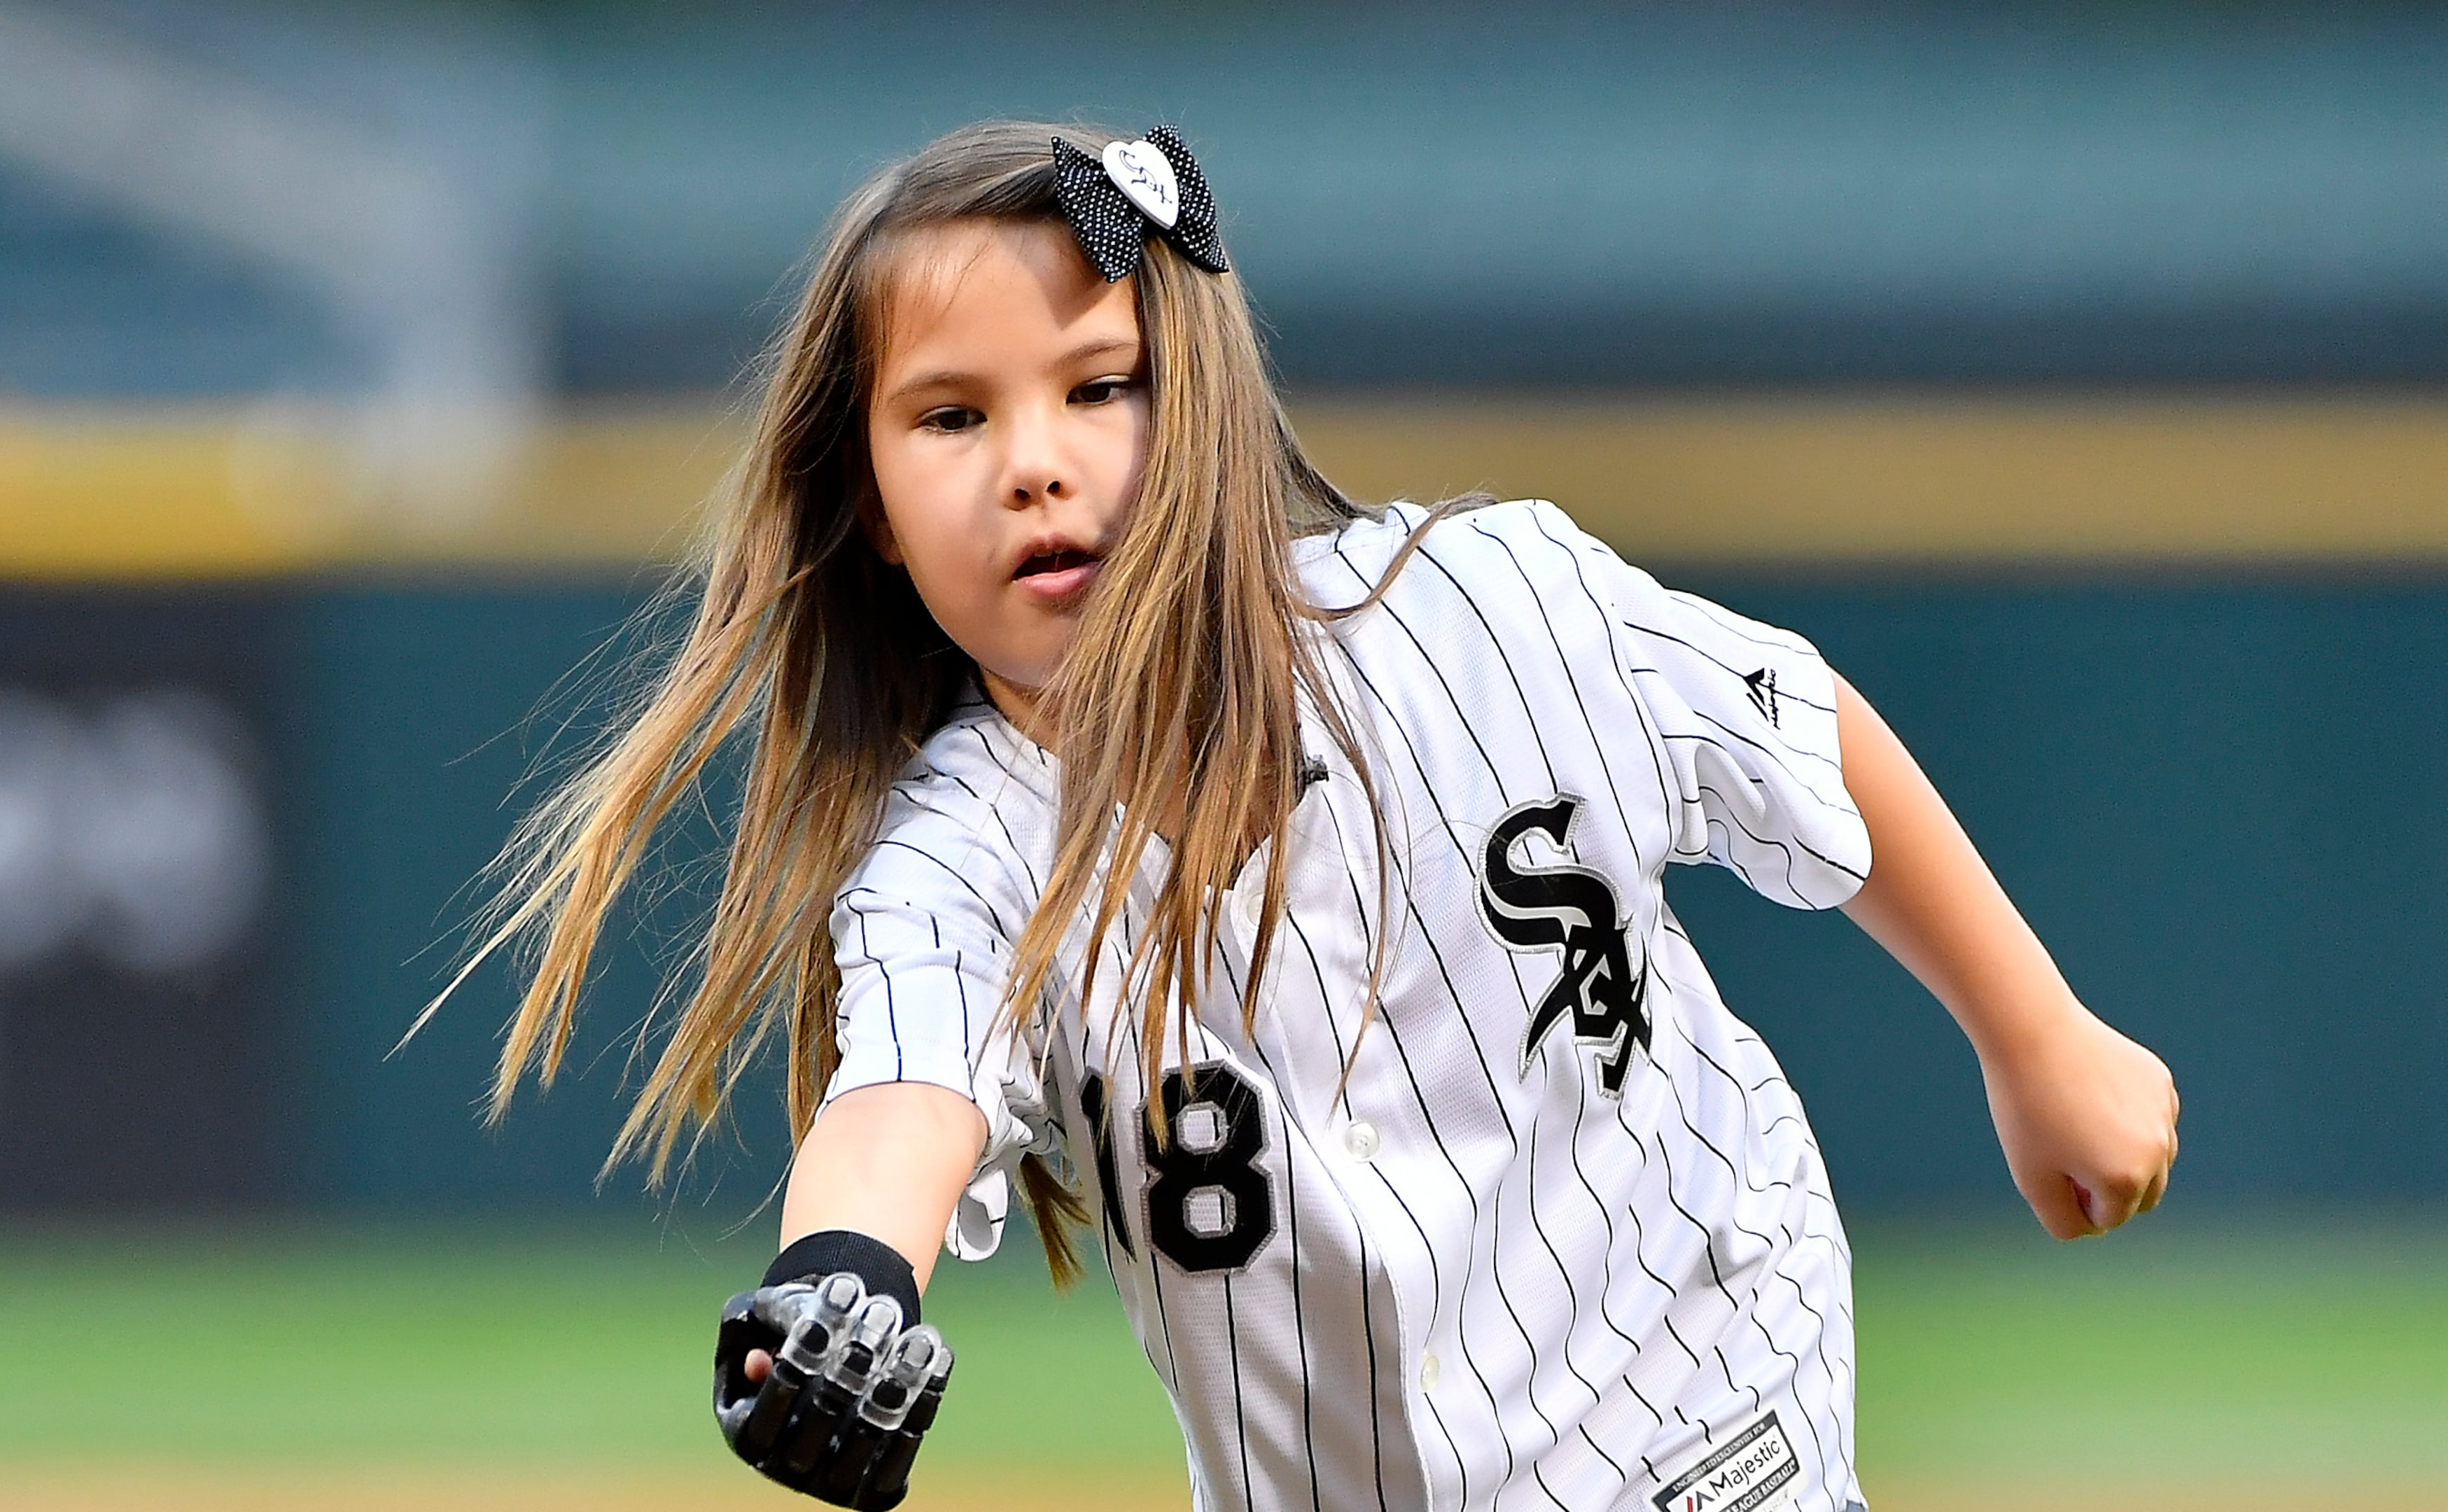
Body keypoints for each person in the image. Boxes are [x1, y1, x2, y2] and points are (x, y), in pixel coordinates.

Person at [461, 121, 2179, 1512]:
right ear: (882, 518)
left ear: (1200, 407)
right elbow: (899, 1101)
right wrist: (838, 1286)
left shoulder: (1495, 602)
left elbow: (1793, 726)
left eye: (1096, 385)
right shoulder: (962, 849)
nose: (1033, 463)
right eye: (951, 417)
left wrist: (2036, 1035)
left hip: (1703, 1417)